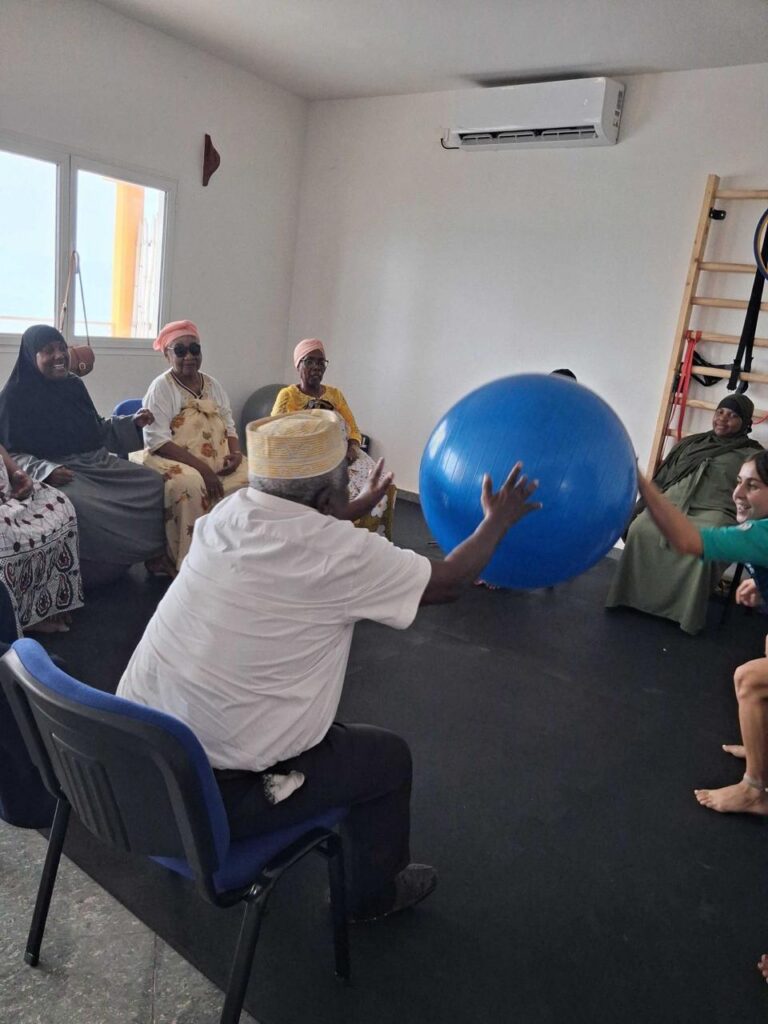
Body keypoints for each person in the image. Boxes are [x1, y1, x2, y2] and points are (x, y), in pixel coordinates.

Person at [117, 409, 540, 922]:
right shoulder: (343, 552)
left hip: (135, 765)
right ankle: (371, 897)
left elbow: (296, 526)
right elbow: (449, 581)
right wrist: (497, 519)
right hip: (211, 801)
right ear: (325, 500)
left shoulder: (225, 515)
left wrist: (351, 506)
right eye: (346, 482)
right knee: (386, 760)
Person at [0, 325, 166, 587]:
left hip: (97, 462)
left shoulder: (74, 386)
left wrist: (131, 423)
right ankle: (100, 568)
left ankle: (150, 555)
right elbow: (11, 453)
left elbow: (96, 428)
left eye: (61, 348)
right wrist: (46, 470)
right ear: (32, 357)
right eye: (48, 351)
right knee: (79, 504)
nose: (58, 356)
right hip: (62, 471)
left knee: (153, 483)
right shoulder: (14, 397)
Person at [606, 394, 762, 634]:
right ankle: (628, 597)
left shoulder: (751, 455)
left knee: (704, 548)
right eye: (720, 412)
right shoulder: (691, 444)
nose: (723, 419)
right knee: (640, 529)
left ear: (746, 423)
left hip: (717, 510)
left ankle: (685, 615)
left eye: (733, 416)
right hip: (675, 503)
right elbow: (665, 478)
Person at [130, 320, 248, 573]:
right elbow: (157, 441)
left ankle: (234, 557)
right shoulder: (161, 387)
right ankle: (189, 565)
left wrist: (236, 454)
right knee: (190, 486)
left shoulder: (213, 385)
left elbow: (229, 426)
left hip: (218, 456)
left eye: (195, 349)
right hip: (169, 457)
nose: (189, 357)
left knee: (252, 481)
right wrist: (204, 470)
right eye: (180, 351)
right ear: (167, 354)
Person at [271, 339, 396, 537]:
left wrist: (352, 449)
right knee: (334, 493)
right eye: (309, 361)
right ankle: (339, 538)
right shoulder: (288, 396)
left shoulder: (335, 394)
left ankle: (370, 538)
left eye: (321, 363)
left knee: (382, 483)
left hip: (345, 454)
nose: (316, 367)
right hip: (309, 459)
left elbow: (353, 428)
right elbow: (275, 432)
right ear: (298, 365)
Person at [0, 442, 82, 636]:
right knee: (4, 534)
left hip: (9, 493)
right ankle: (14, 619)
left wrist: (18, 474)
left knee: (59, 504)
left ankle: (41, 607)